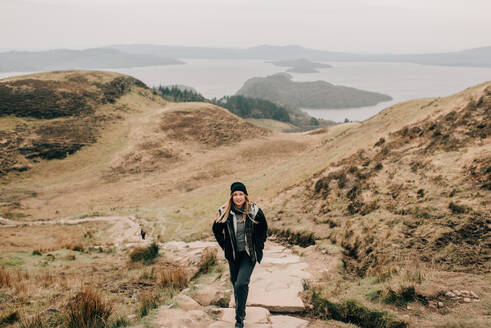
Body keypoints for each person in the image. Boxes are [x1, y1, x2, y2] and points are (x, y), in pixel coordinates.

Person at [212, 182, 268, 328]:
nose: (238, 197)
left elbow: (263, 228)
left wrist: (259, 245)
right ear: (231, 197)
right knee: (235, 284)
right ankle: (241, 308)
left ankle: (239, 319)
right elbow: (216, 230)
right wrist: (225, 246)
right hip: (234, 255)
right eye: (235, 194)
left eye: (241, 194)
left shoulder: (254, 211)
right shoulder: (224, 212)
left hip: (249, 254)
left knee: (241, 283)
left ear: (245, 196)